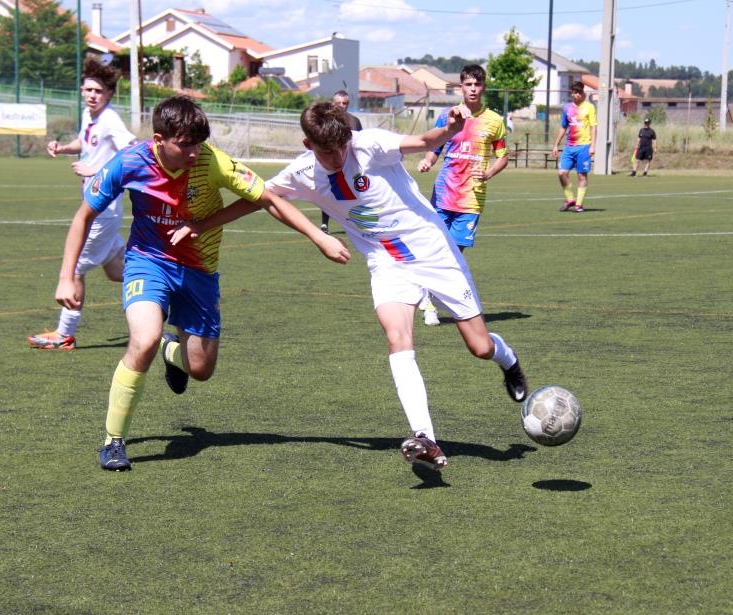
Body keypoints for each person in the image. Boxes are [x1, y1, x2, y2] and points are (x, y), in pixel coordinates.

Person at [173, 102, 529, 472]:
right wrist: (205, 225)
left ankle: (508, 359)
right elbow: (261, 199)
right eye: (328, 150)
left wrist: (450, 130)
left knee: (479, 346)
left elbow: (424, 139)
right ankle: (425, 438)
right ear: (307, 144)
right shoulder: (303, 173)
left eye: (342, 144)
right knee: (397, 337)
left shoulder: (369, 145)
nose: (339, 154)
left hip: (434, 250)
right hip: (387, 261)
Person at [54, 96, 350, 471]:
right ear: (159, 139)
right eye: (186, 144)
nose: (195, 152)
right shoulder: (130, 162)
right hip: (149, 263)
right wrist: (67, 276)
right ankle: (114, 440)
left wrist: (318, 236)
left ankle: (170, 351)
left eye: (199, 142)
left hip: (200, 271)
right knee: (141, 340)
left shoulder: (212, 161)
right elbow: (83, 216)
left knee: (201, 370)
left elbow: (269, 200)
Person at [28, 59, 136, 350]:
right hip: (100, 210)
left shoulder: (111, 119)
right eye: (88, 89)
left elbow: (134, 151)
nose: (92, 95)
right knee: (117, 272)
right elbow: (85, 142)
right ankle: (168, 288)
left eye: (98, 91)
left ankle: (65, 335)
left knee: (74, 269)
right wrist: (64, 148)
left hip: (103, 212)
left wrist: (97, 171)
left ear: (110, 94)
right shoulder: (91, 116)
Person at [416, 64, 509, 326]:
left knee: (455, 255)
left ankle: (431, 295)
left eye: (476, 85)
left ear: (483, 88)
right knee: (437, 249)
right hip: (444, 194)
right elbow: (434, 146)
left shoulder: (494, 121)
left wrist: (489, 172)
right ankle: (429, 301)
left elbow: (503, 156)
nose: (472, 89)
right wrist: (427, 161)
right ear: (461, 87)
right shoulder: (448, 116)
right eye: (468, 84)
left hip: (471, 198)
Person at [320, 90, 363, 233]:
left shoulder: (354, 121)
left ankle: (357, 222)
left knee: (355, 193)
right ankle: (324, 224)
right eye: (338, 103)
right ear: (333, 103)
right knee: (329, 193)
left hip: (350, 164)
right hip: (331, 163)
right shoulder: (325, 120)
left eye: (344, 103)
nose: (341, 106)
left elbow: (360, 142)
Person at [551, 81, 597, 213]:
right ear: (571, 93)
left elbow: (593, 127)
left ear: (583, 93)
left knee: (582, 176)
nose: (577, 95)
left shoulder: (589, 107)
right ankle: (570, 198)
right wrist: (555, 145)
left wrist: (592, 146)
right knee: (561, 173)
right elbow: (563, 127)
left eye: (579, 92)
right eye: (575, 92)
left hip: (583, 147)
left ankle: (579, 204)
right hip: (569, 147)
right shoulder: (567, 108)